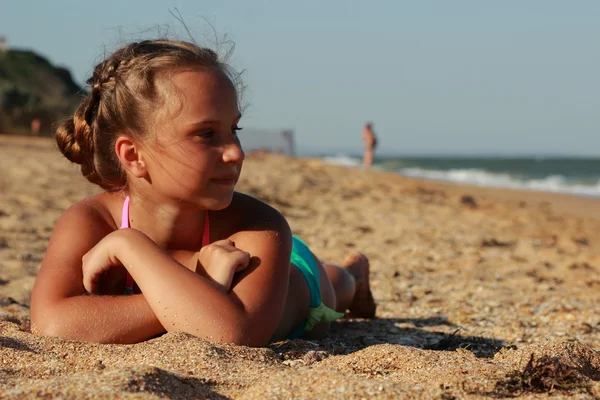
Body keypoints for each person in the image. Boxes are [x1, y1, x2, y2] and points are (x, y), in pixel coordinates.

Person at [30, 39, 376, 346]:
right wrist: (203, 282)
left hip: (295, 277)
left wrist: (130, 245)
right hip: (209, 270)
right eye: (207, 134)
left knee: (335, 285)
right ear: (134, 156)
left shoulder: (259, 225)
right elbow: (52, 322)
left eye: (234, 129)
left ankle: (354, 275)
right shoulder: (90, 220)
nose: (237, 152)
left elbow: (234, 332)